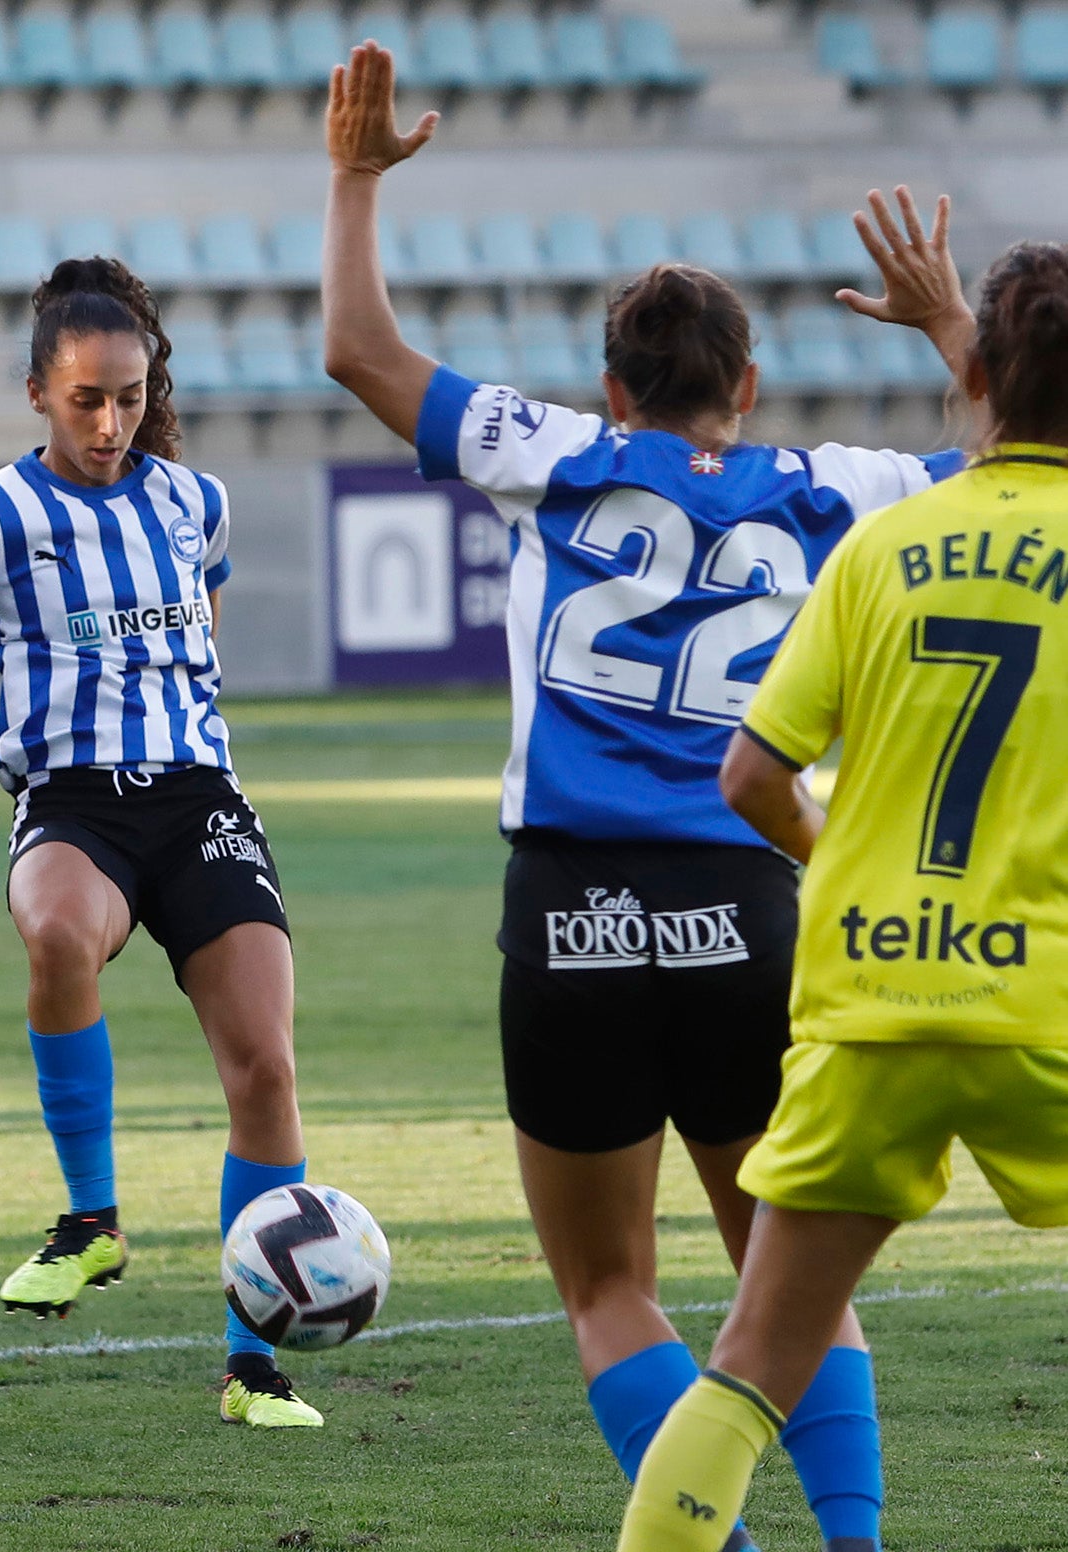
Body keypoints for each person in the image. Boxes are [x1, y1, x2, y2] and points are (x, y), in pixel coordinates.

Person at [322, 41, 978, 1549]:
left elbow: (358, 351)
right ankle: (855, 1543)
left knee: (605, 1288)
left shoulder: (553, 456)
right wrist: (951, 324)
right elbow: (1015, 459)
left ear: (609, 386)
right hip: (748, 905)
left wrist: (355, 180)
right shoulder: (830, 490)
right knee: (785, 1277)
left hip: (566, 912)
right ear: (745, 387)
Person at [614, 240, 1068, 1551]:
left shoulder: (884, 548)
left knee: (753, 1364)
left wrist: (847, 865)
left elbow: (751, 773)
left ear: (975, 372)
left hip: (870, 994)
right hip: (1042, 999)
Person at [0, 255, 323, 1429]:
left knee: (264, 1067)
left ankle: (252, 1368)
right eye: (84, 400)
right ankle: (91, 1221)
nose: (109, 422)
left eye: (127, 395)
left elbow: (196, 633)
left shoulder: (191, 502)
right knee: (59, 930)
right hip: (73, 803)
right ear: (38, 394)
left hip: (200, 799)